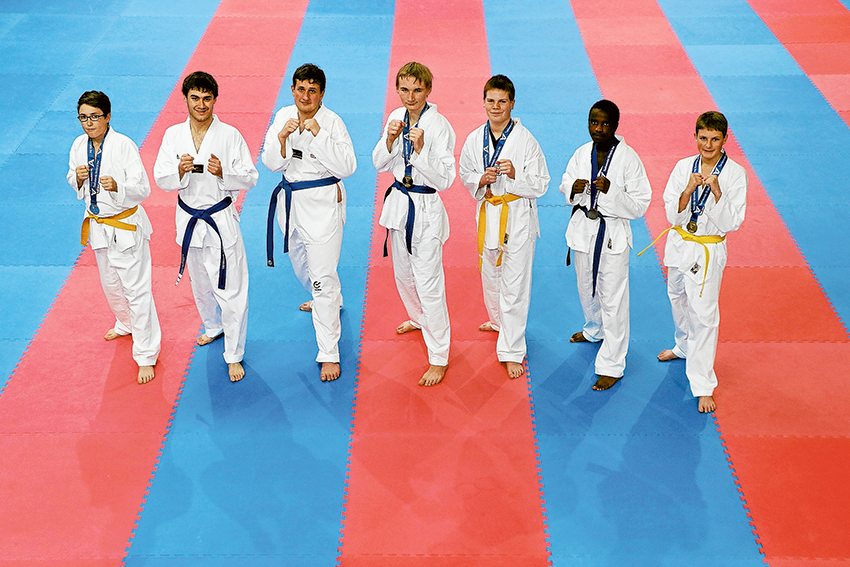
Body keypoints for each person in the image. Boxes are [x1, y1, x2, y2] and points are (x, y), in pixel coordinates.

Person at [153, 71, 258, 383]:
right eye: (195, 98)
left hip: (220, 219)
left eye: (207, 98)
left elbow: (250, 176)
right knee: (200, 282)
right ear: (185, 99)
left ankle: (234, 354)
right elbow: (161, 177)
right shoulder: (173, 135)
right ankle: (213, 326)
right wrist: (178, 171)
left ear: (215, 99)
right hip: (188, 220)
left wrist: (225, 173)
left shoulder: (230, 135)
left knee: (232, 288)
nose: (201, 104)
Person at [261, 63, 356, 382]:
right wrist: (282, 137)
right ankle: (328, 296)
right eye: (300, 89)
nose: (306, 95)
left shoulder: (332, 122)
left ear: (322, 94)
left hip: (323, 205)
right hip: (290, 203)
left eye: (312, 90)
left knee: (322, 276)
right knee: (303, 265)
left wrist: (318, 137)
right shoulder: (282, 116)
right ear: (292, 90)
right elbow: (271, 163)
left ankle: (329, 352)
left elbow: (348, 167)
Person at [654, 111, 747, 413]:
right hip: (679, 242)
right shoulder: (683, 167)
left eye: (715, 139)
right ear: (695, 137)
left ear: (724, 140)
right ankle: (683, 345)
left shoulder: (735, 174)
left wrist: (717, 192)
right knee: (677, 297)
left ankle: (704, 384)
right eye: (703, 138)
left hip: (708, 250)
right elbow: (670, 212)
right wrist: (688, 191)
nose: (708, 145)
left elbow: (734, 222)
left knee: (704, 315)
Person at [67, 91, 161, 385]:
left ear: (107, 117)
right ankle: (125, 322)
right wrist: (79, 179)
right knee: (110, 283)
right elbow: (71, 178)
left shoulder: (123, 145)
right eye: (83, 117)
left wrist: (118, 185)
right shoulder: (78, 145)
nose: (89, 123)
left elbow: (142, 189)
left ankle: (146, 354)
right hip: (98, 225)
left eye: (95, 116)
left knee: (137, 290)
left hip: (125, 226)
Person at [459, 75, 549, 379]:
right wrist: (478, 181)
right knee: (491, 277)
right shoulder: (475, 139)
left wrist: (515, 178)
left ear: (512, 103)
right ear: (483, 102)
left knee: (515, 285)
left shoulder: (527, 141)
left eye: (502, 101)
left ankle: (512, 350)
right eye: (490, 100)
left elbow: (542, 184)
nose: (496, 107)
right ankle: (499, 321)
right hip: (489, 213)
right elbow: (464, 172)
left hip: (518, 217)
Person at [372, 61, 456, 387]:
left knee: (429, 284)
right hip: (399, 206)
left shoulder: (440, 126)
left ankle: (439, 356)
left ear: (428, 91)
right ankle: (419, 318)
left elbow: (446, 178)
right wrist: (391, 141)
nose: (410, 96)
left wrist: (420, 151)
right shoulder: (395, 117)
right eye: (404, 89)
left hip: (426, 208)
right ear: (397, 90)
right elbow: (379, 163)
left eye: (417, 90)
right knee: (403, 275)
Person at [560, 100, 651, 391]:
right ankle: (593, 329)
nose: (598, 129)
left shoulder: (628, 158)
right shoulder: (581, 153)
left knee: (613, 300)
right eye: (593, 122)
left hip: (611, 234)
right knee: (586, 288)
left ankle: (613, 364)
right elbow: (565, 182)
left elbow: (639, 205)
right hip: (584, 228)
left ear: (616, 125)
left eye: (605, 124)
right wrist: (571, 189)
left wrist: (612, 194)